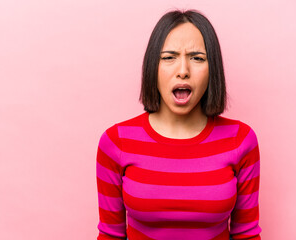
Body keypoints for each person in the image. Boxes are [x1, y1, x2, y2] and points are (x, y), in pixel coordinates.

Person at [96, 9, 261, 240]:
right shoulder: (116, 142)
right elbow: (110, 235)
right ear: (152, 66)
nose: (183, 71)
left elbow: (247, 234)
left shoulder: (241, 139)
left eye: (197, 58)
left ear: (212, 69)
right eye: (169, 57)